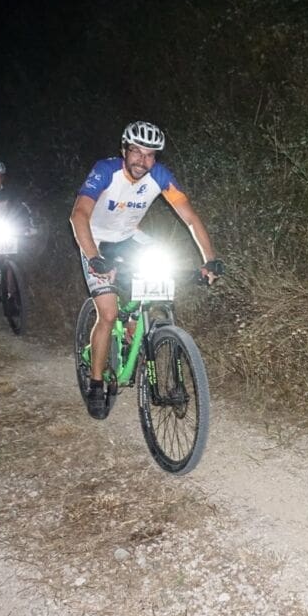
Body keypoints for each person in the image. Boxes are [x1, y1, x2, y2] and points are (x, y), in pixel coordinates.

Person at [69, 120, 224, 419]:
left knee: (159, 269)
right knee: (108, 313)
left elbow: (190, 218)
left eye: (150, 154)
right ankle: (97, 383)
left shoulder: (160, 176)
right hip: (96, 241)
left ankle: (132, 322)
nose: (143, 160)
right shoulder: (105, 171)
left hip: (130, 238)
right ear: (124, 150)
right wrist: (93, 257)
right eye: (137, 152)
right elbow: (78, 216)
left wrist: (209, 259)